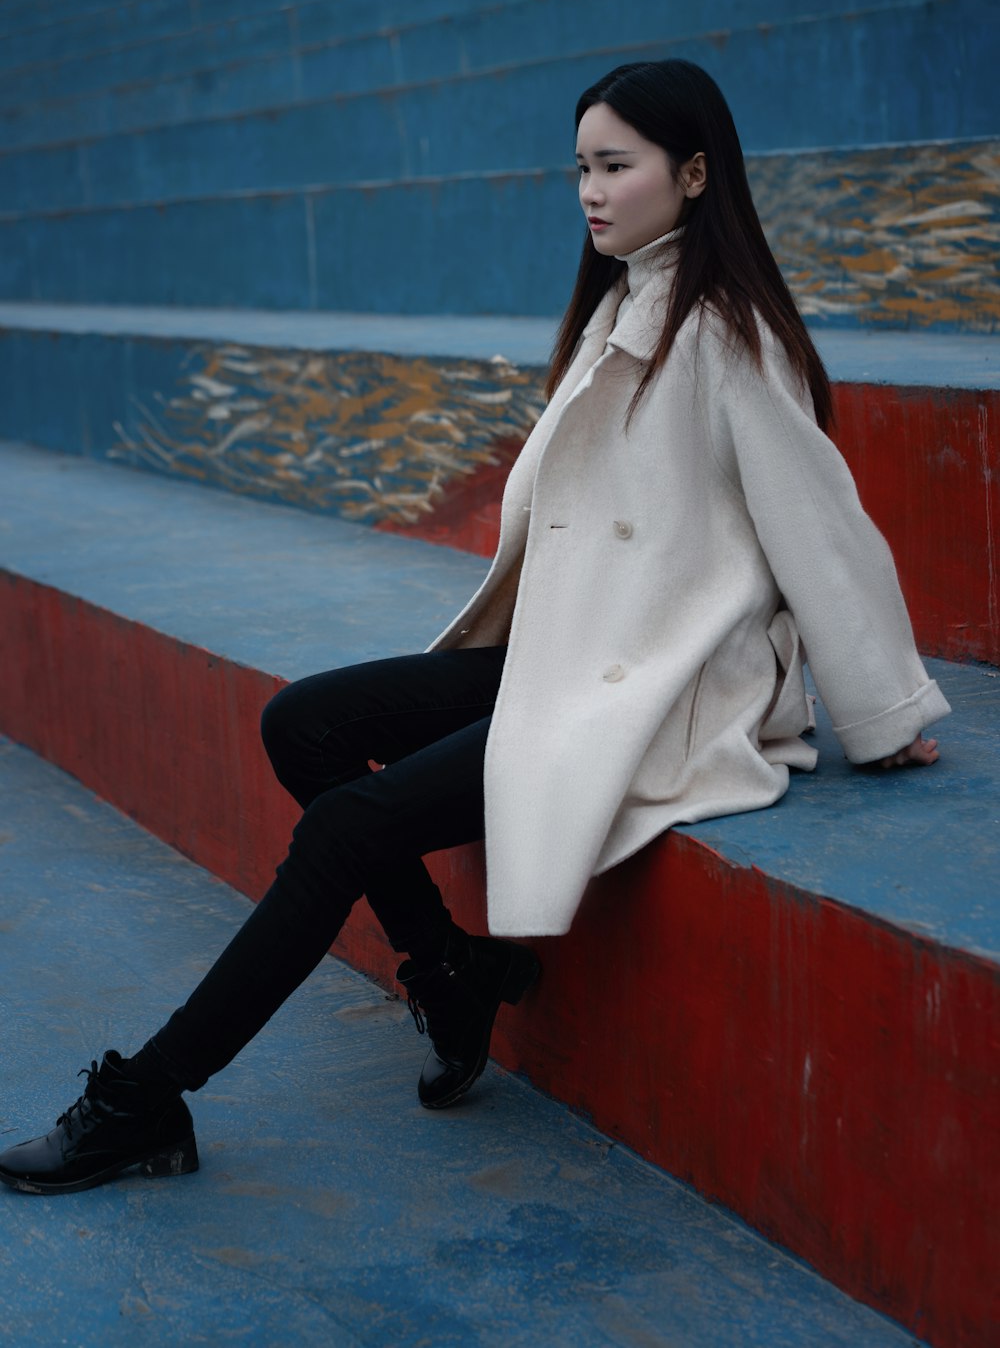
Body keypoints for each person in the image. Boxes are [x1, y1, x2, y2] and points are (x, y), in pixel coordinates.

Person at [0, 59, 949, 1196]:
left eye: (615, 166)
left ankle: (145, 1102)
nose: (590, 192)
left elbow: (824, 532)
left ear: (694, 175)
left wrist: (883, 715)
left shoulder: (727, 335)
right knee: (301, 723)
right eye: (580, 169)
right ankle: (448, 970)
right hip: (574, 652)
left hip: (662, 687)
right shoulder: (623, 304)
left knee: (347, 827)